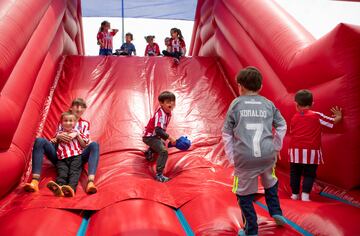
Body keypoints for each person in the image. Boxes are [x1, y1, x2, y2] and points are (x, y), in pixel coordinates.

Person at [222, 67, 287, 236]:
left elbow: (226, 132)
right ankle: (276, 211)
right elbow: (282, 125)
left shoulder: (236, 104)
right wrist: (276, 146)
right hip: (266, 155)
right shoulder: (268, 103)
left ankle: (251, 229)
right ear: (260, 87)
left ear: (240, 86)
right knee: (270, 181)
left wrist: (231, 157)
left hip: (245, 158)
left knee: (242, 194)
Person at [24, 98, 100, 194]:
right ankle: (35, 181)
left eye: (82, 107)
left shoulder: (85, 124)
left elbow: (84, 145)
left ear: (84, 110)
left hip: (77, 156)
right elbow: (55, 141)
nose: (79, 109)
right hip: (61, 156)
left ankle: (90, 183)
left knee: (95, 145)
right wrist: (58, 137)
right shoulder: (63, 120)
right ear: (71, 108)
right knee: (40, 141)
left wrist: (77, 135)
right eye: (76, 106)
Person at [289, 89, 342, 201]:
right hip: (310, 151)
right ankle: (305, 195)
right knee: (309, 174)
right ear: (312, 103)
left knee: (295, 173)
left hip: (295, 150)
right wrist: (339, 116)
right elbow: (333, 121)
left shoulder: (294, 117)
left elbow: (292, 131)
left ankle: (294, 194)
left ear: (296, 104)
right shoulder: (316, 116)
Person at [47, 112, 86, 197]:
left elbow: (84, 145)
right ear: (61, 122)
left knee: (74, 173)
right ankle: (59, 188)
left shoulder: (77, 132)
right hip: (62, 158)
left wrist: (78, 135)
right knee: (62, 173)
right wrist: (54, 139)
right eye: (65, 121)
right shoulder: (59, 133)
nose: (68, 123)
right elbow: (52, 142)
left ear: (75, 123)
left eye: (70, 121)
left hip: (75, 156)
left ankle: (71, 189)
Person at [143, 91, 177, 182]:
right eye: (168, 102)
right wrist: (170, 138)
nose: (172, 103)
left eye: (173, 101)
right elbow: (158, 131)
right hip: (150, 137)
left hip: (154, 136)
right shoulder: (161, 114)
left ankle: (149, 151)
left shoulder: (167, 112)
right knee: (163, 151)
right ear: (161, 103)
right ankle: (159, 174)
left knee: (161, 143)